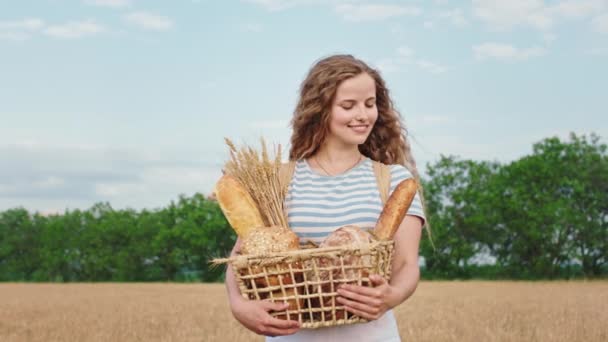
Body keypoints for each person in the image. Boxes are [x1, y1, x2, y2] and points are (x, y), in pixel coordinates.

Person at [225, 54, 427, 342]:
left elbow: (407, 264)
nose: (363, 115)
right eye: (348, 105)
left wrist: (390, 296)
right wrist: (239, 305)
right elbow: (242, 257)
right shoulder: (278, 181)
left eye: (370, 104)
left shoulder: (393, 180)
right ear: (320, 109)